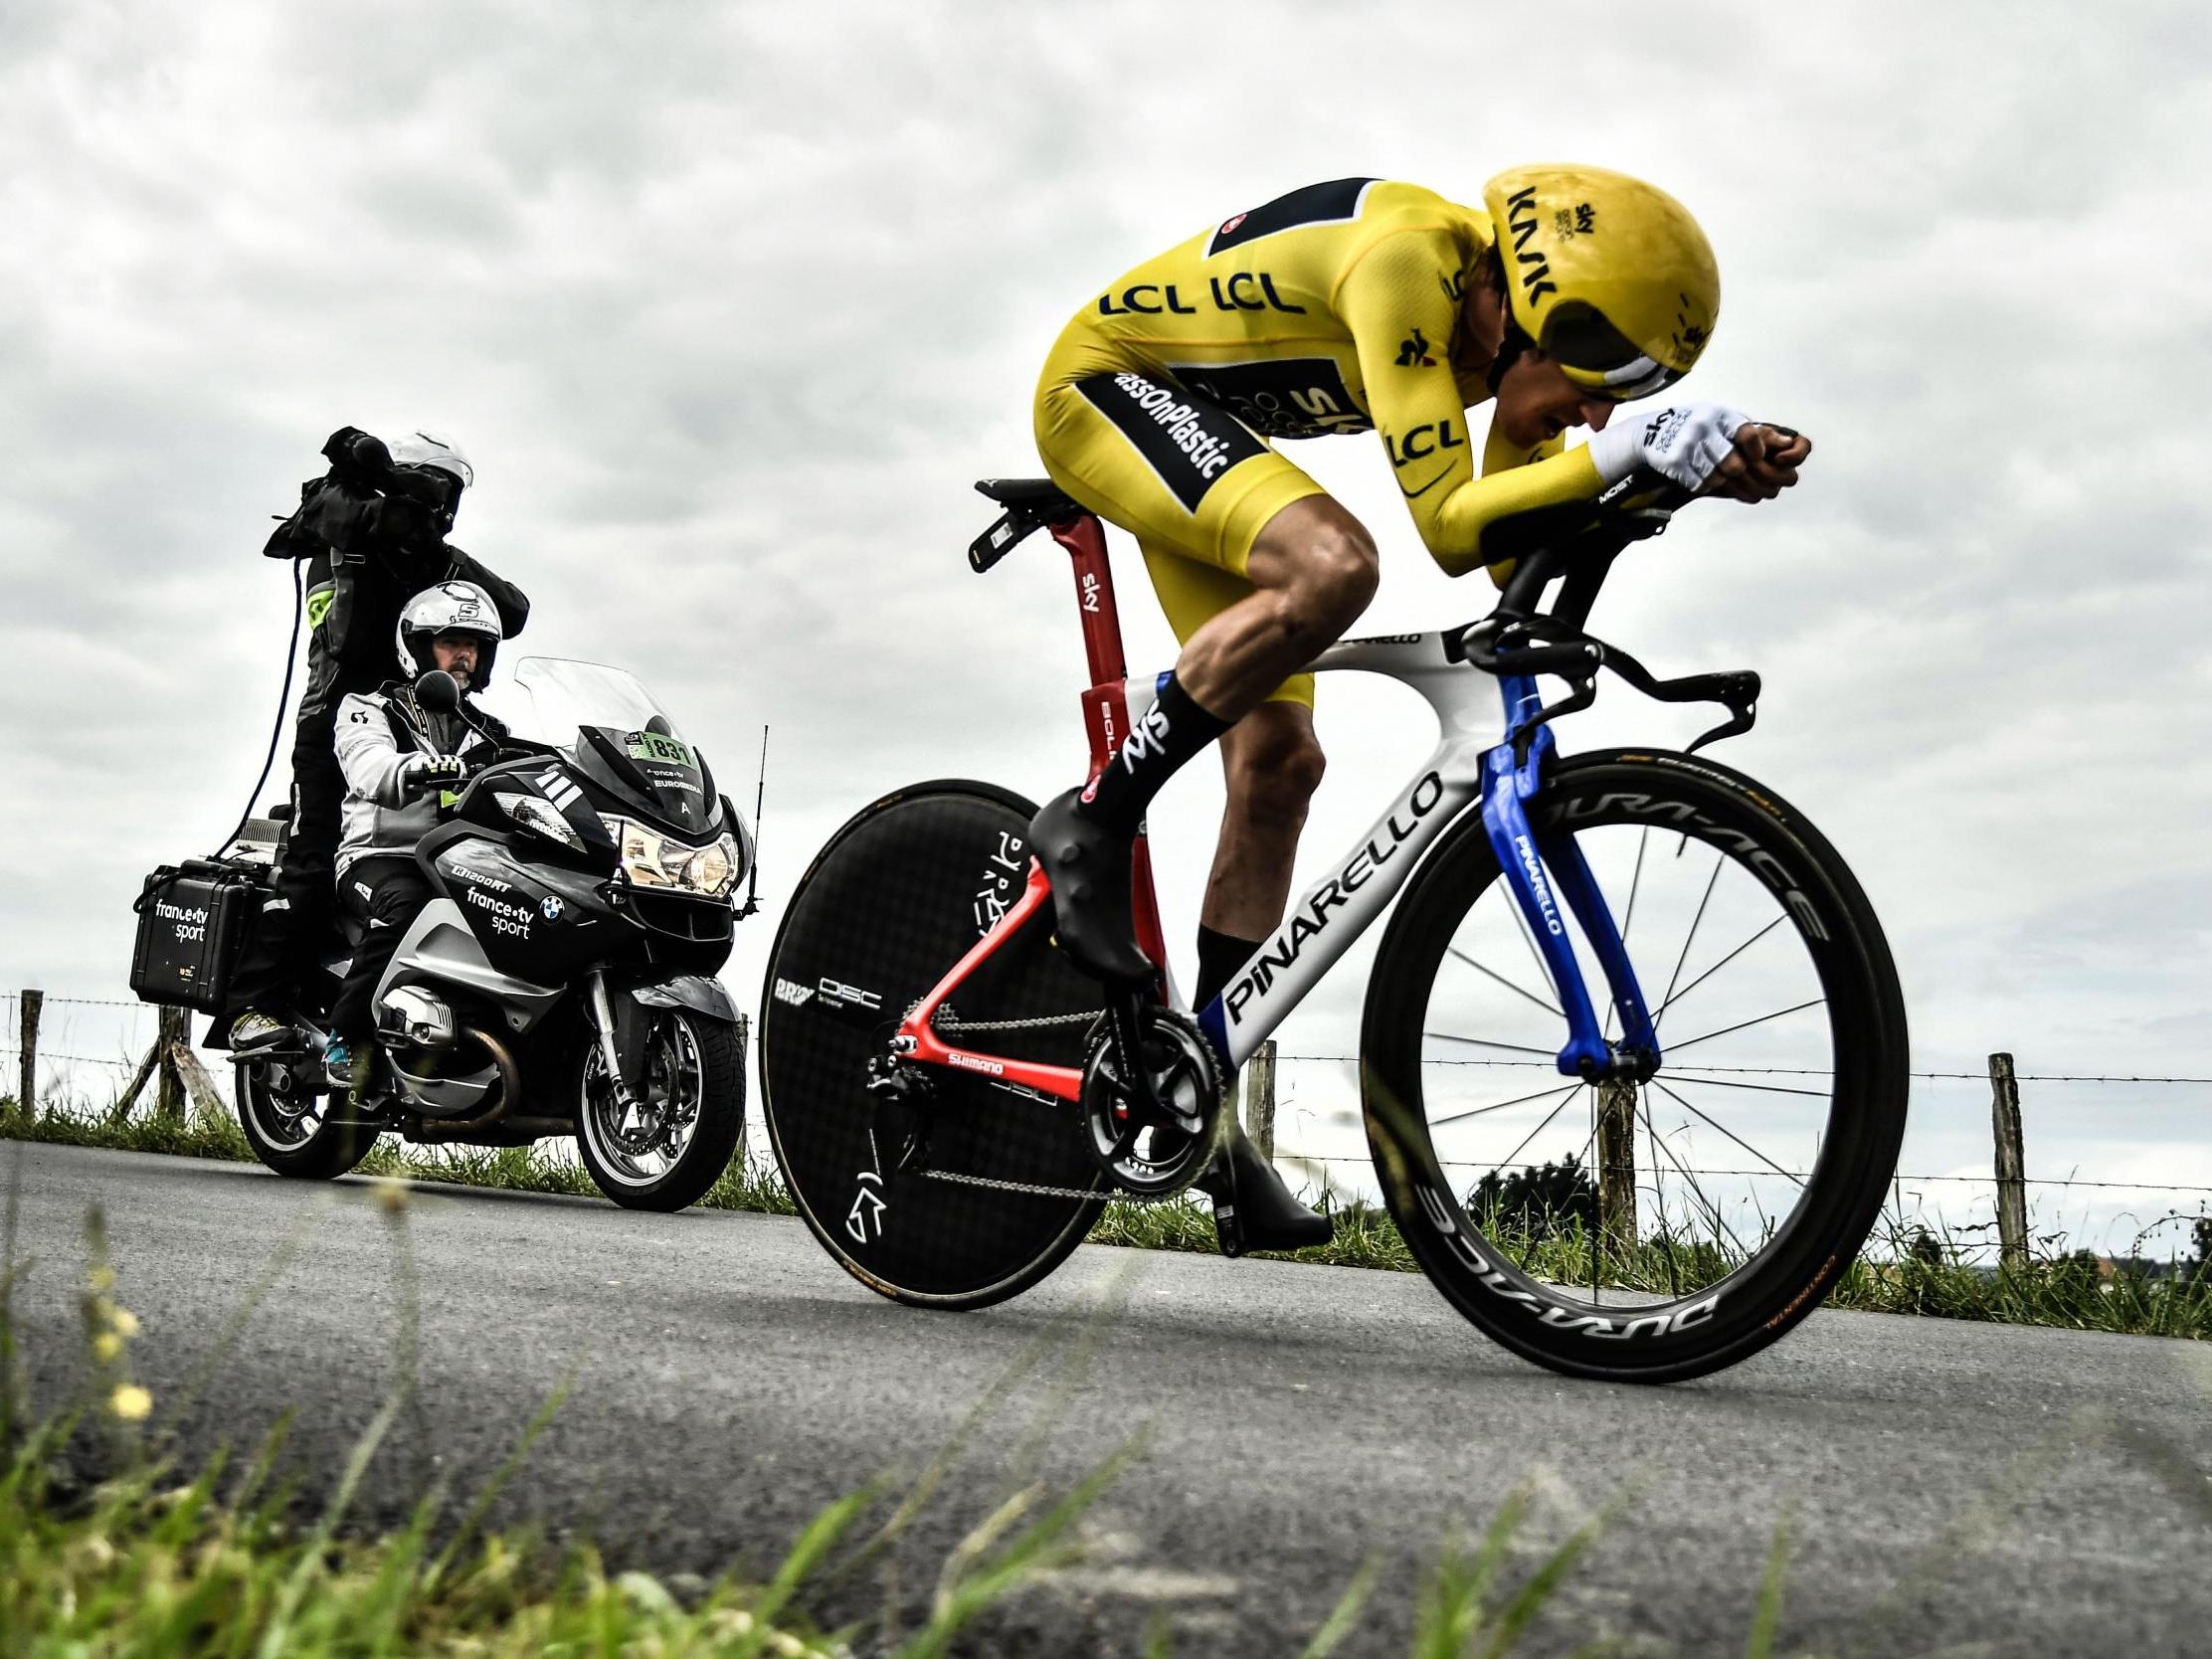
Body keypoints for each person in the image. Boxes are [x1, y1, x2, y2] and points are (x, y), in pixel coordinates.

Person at [1023, 167, 1812, 1250]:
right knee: (1334, 565)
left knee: (1280, 766)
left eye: (1633, 387)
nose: (1599, 408)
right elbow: (1448, 525)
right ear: (1529, 308)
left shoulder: (1496, 341)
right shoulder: (1408, 264)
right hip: (1106, 389)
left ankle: (1194, 1088)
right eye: (1601, 371)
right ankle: (1092, 820)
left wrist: (1685, 473)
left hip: (1198, 427)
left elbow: (1503, 556)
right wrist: (1627, 452)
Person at [227, 429, 530, 1051]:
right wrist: (387, 490)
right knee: (312, 855)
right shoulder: (344, 518)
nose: (442, 504)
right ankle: (255, 1006)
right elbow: (334, 528)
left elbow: (513, 610)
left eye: (447, 494)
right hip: (339, 716)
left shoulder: (425, 554)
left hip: (423, 709)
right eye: (436, 488)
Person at [323, 581, 512, 1089]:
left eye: (476, 646)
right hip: (381, 857)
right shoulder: (369, 708)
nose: (466, 655)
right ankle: (347, 1039)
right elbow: (368, 765)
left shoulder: (490, 729)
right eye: (454, 641)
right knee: (408, 904)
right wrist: (418, 769)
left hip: (462, 862)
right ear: (419, 646)